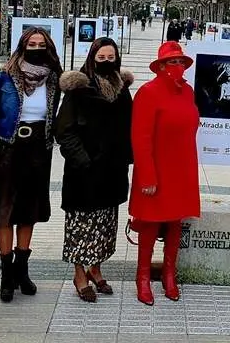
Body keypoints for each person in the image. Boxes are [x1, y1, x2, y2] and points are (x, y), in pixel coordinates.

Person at [0, 27, 61, 303]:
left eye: (41, 44)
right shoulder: (6, 75)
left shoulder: (53, 78)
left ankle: (21, 269)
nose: (36, 47)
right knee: (5, 210)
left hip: (39, 149)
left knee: (29, 210)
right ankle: (6, 273)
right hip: (8, 149)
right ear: (23, 45)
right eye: (32, 43)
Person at [55, 38, 134, 303]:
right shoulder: (79, 88)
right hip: (84, 173)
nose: (107, 62)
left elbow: (129, 126)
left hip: (112, 171)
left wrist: (127, 157)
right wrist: (83, 160)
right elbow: (64, 130)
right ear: (92, 58)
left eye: (111, 57)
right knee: (81, 225)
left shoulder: (122, 89)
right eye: (101, 58)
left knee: (105, 225)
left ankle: (96, 268)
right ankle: (79, 274)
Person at [130, 41, 201, 305]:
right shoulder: (148, 93)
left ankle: (169, 275)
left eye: (181, 62)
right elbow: (140, 137)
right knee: (149, 223)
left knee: (175, 223)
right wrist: (147, 175)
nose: (178, 66)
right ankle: (143, 277)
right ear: (160, 66)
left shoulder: (188, 92)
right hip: (156, 169)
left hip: (182, 169)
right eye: (172, 62)